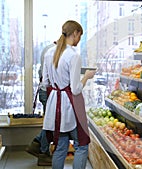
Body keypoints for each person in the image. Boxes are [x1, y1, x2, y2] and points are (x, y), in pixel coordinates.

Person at [42, 20, 95, 169]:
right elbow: (76, 89)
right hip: (71, 107)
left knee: (59, 147)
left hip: (54, 106)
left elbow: (45, 83)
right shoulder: (73, 55)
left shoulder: (49, 53)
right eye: (80, 36)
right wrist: (86, 77)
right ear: (75, 33)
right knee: (82, 146)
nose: (79, 40)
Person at [25, 42, 56, 166]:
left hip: (45, 91)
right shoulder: (54, 51)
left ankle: (37, 143)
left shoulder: (47, 49)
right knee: (51, 124)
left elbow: (41, 72)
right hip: (49, 92)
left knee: (50, 122)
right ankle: (43, 153)